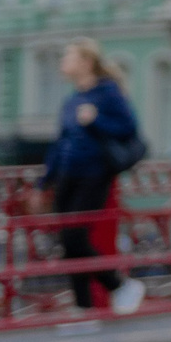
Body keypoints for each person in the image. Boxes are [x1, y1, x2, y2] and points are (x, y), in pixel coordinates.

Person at [38, 39, 146, 315]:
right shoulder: (72, 99)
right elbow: (60, 142)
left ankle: (120, 286)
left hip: (94, 174)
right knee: (67, 243)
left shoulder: (108, 93)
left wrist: (96, 120)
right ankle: (82, 308)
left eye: (68, 57)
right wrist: (44, 182)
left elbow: (129, 129)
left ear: (86, 62)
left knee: (76, 238)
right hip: (67, 174)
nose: (63, 62)